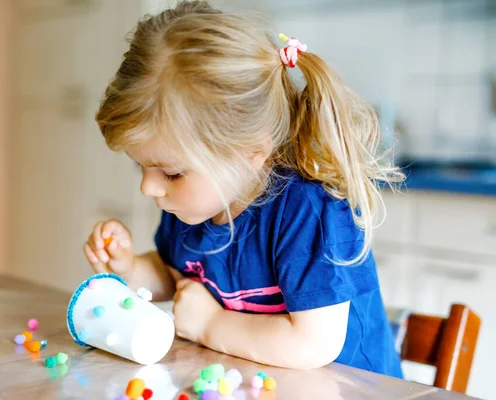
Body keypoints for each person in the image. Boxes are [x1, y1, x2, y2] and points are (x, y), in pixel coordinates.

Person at [84, 0, 405, 377]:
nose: (148, 187)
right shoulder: (194, 205)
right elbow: (178, 277)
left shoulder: (310, 211)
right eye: (141, 165)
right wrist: (131, 269)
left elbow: (313, 344)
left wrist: (209, 325)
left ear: (251, 153)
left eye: (170, 173)